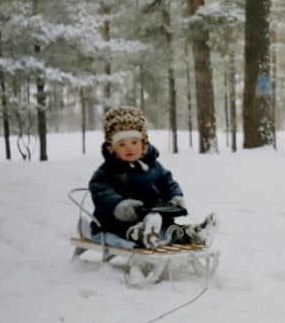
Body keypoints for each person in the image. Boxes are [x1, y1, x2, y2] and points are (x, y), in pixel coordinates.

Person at [88, 106, 218, 249]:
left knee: (170, 229)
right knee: (126, 230)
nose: (129, 148)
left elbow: (168, 182)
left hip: (156, 217)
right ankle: (143, 234)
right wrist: (122, 206)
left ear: (143, 143)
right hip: (116, 224)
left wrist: (174, 198)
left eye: (134, 142)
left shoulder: (152, 166)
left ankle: (197, 234)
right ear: (112, 147)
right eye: (122, 144)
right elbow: (102, 193)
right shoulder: (107, 171)